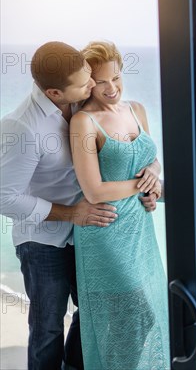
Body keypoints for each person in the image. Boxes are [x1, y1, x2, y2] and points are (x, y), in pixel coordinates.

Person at [0, 41, 155, 369]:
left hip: (91, 235)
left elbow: (125, 148)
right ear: (55, 93)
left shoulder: (80, 100)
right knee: (47, 328)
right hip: (44, 242)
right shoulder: (23, 128)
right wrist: (71, 212)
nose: (94, 87)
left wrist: (150, 177)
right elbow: (4, 196)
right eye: (88, 83)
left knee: (93, 316)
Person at [69, 40, 170, 369]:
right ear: (88, 84)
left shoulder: (137, 110)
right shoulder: (83, 122)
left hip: (140, 229)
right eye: (100, 81)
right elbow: (94, 190)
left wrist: (153, 177)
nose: (111, 87)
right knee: (132, 316)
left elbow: (151, 159)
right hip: (105, 230)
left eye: (116, 77)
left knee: (147, 313)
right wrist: (140, 185)